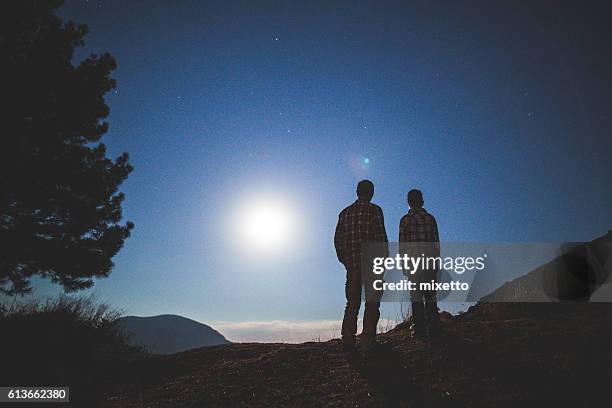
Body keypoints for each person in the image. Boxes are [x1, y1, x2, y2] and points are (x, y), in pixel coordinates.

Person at [334, 180, 388, 352]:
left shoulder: (344, 213)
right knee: (372, 302)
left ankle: (348, 339)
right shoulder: (374, 210)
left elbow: (337, 241)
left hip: (353, 266)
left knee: (352, 303)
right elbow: (380, 238)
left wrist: (346, 260)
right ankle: (368, 341)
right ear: (371, 192)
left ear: (357, 191)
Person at [399, 189, 440, 339]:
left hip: (412, 262)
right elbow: (436, 243)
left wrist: (403, 264)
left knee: (415, 295)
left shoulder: (404, 220)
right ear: (422, 201)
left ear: (408, 202)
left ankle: (419, 329)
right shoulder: (430, 219)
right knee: (430, 294)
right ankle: (434, 326)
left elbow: (402, 245)